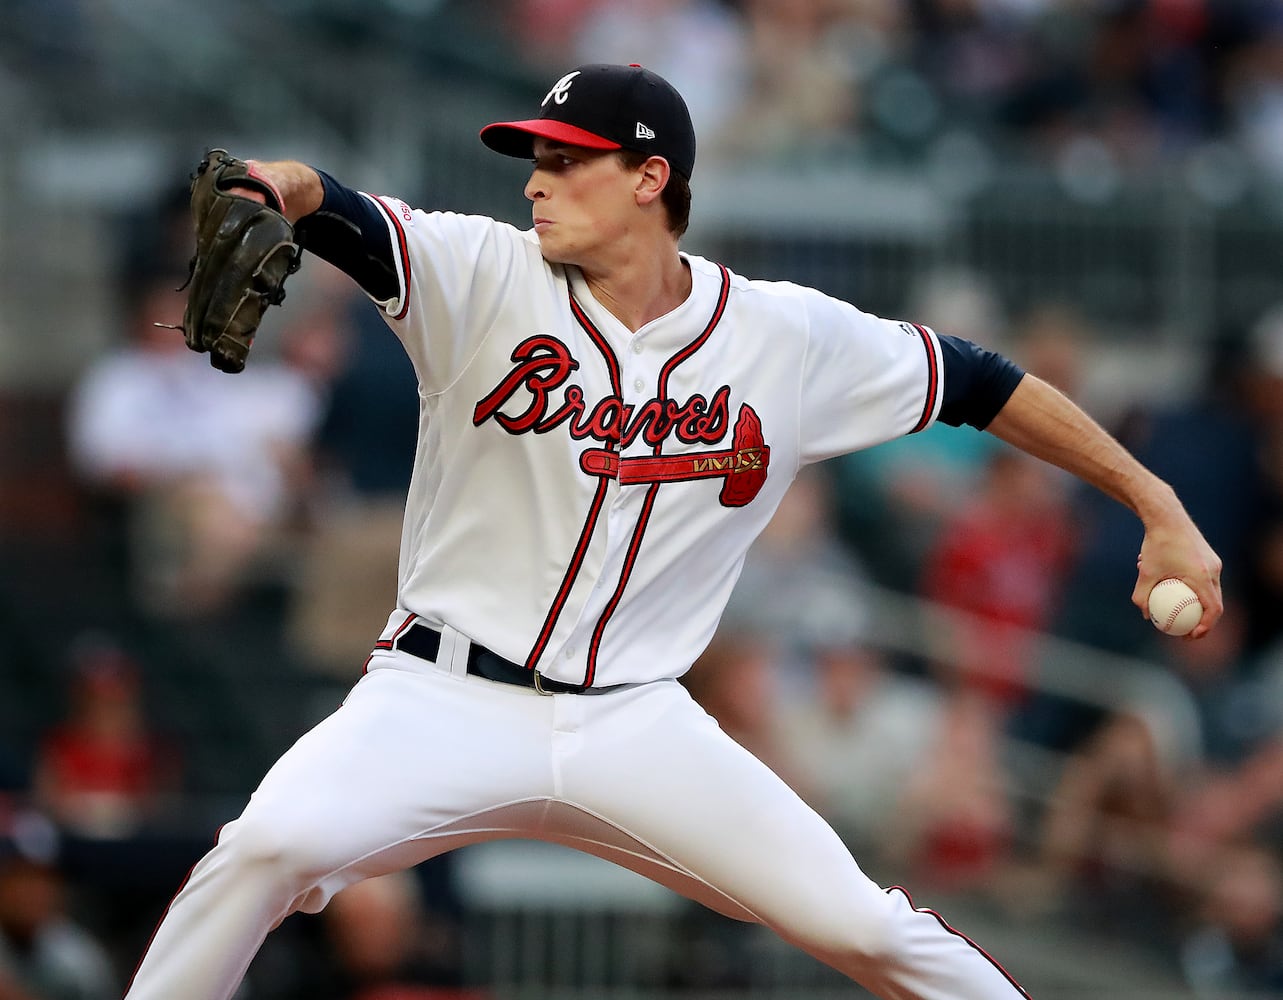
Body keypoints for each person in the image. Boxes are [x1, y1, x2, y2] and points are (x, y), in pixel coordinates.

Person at [123, 63, 1223, 1000]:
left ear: (650, 179)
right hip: (438, 697)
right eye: (534, 159)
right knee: (262, 849)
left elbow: (978, 381)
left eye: (566, 161)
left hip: (637, 727)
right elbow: (334, 206)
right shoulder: (482, 271)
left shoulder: (781, 335)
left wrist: (1152, 500)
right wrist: (271, 184)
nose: (535, 182)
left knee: (868, 930)